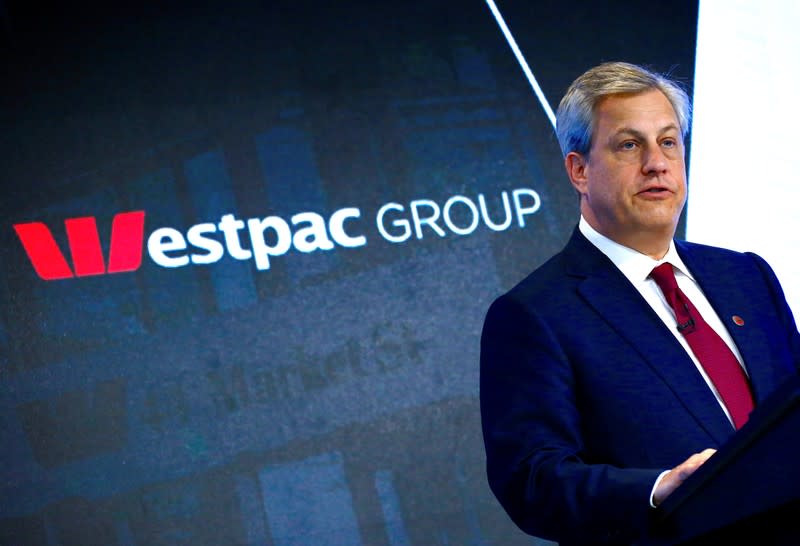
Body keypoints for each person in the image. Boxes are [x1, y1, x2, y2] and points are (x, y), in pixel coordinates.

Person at [479, 61, 800, 545]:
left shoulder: (746, 275)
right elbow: (532, 480)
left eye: (669, 141)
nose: (658, 162)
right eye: (630, 145)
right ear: (580, 170)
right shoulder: (533, 316)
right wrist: (657, 489)